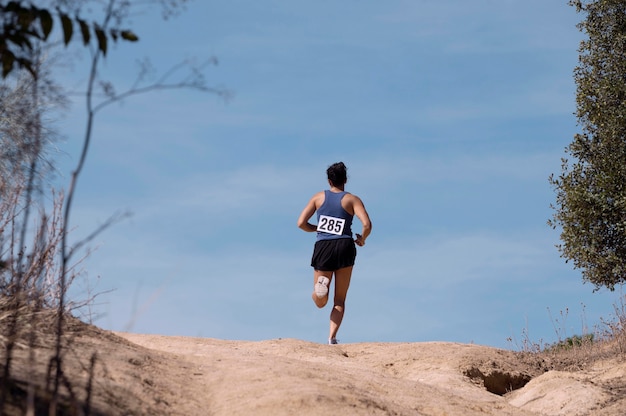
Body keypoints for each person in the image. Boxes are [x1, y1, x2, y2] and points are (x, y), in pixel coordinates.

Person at [297, 162, 372, 345]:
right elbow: (367, 225)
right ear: (345, 180)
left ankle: (319, 291)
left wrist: (317, 228)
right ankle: (331, 338)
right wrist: (362, 239)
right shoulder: (352, 199)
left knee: (321, 301)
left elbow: (301, 223)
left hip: (324, 245)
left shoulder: (318, 198)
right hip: (345, 245)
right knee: (339, 300)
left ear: (329, 180)